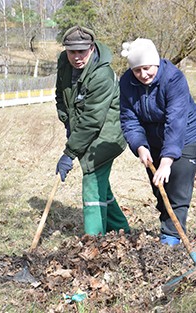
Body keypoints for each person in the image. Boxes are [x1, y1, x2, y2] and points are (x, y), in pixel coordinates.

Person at [119, 38, 196, 246]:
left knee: (176, 187)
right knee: (160, 188)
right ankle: (169, 227)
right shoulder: (127, 83)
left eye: (147, 68)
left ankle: (172, 238)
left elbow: (175, 122)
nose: (143, 75)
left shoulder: (173, 79)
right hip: (153, 141)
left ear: (156, 63)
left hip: (187, 138)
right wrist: (139, 146)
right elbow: (128, 118)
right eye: (137, 70)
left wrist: (167, 161)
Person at [54, 25, 130, 236]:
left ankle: (93, 242)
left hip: (106, 137)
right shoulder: (64, 65)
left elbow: (92, 120)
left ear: (92, 47)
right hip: (85, 132)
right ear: (65, 50)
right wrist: (68, 123)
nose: (77, 57)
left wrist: (69, 153)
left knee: (92, 183)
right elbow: (61, 97)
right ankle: (122, 229)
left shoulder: (102, 75)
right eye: (72, 51)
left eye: (82, 51)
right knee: (101, 187)